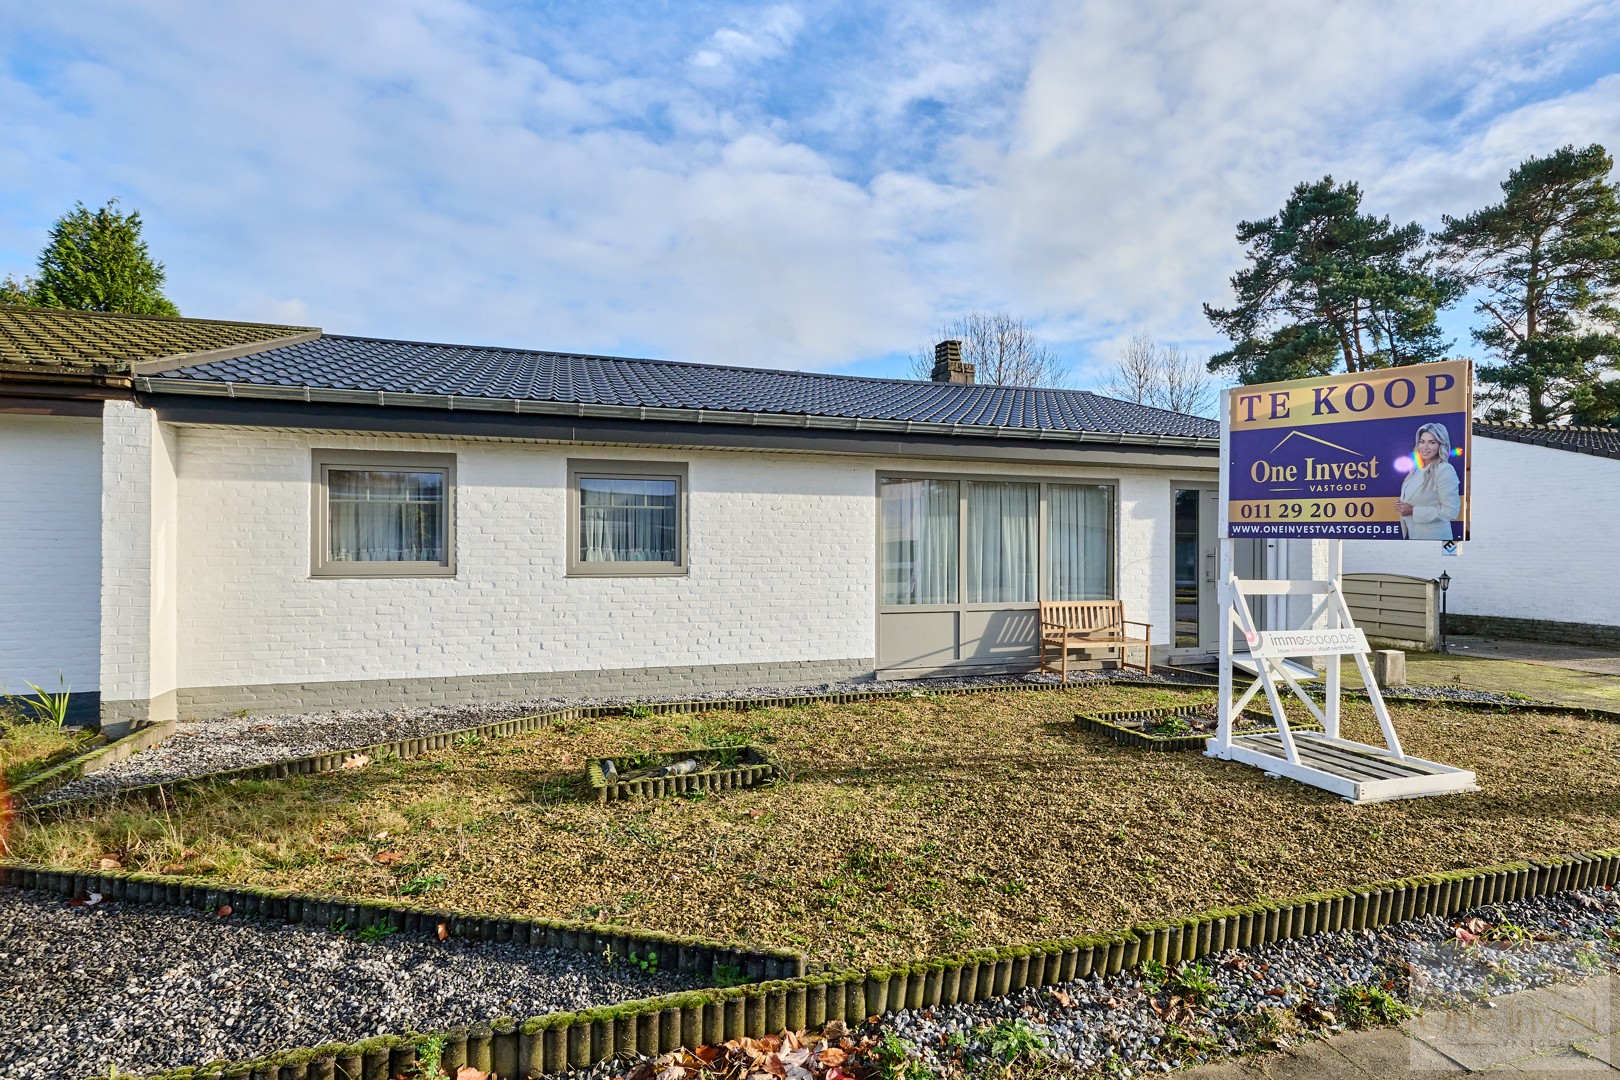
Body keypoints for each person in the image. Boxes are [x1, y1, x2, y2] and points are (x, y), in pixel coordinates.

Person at [1396, 422, 1461, 540]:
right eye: (1422, 442)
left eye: (1432, 442)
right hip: (1414, 537)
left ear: (1441, 445)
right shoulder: (1416, 470)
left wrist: (1413, 511)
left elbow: (1451, 511)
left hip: (1435, 540)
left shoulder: (1444, 470)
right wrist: (1404, 503)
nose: (1425, 447)